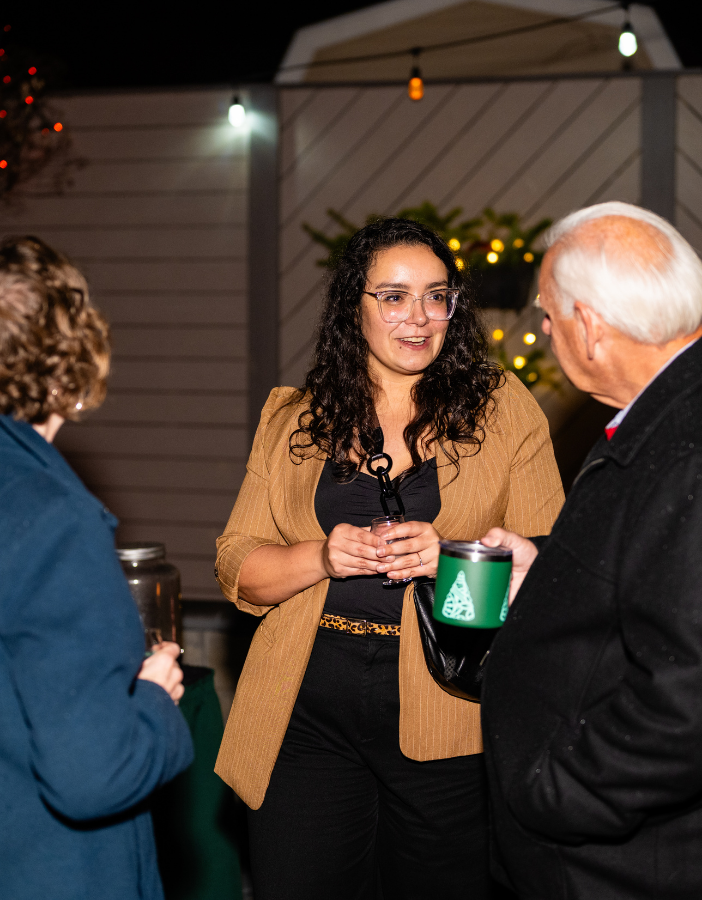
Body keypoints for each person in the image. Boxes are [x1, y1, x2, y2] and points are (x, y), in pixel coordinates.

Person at [480, 202, 702, 898]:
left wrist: (552, 794)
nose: (544, 331)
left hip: (651, 865)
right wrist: (549, 569)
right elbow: (670, 567)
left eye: (548, 316)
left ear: (589, 326)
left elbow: (695, 706)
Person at [214, 217, 564, 899]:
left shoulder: (505, 412)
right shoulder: (292, 418)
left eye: (437, 296)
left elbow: (548, 576)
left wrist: (450, 560)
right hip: (305, 711)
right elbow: (237, 567)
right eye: (394, 296)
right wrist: (322, 555)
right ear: (354, 308)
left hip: (447, 712)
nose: (419, 317)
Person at [0, 237, 193, 900]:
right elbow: (93, 775)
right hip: (43, 873)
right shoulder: (52, 518)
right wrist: (155, 704)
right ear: (69, 360)